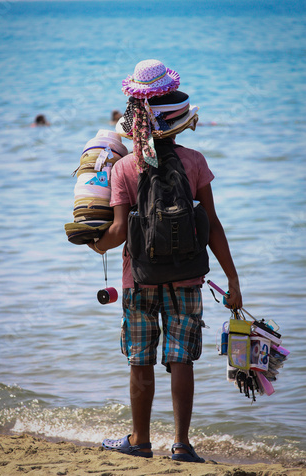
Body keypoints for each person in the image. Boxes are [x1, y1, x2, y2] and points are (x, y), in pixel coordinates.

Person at [88, 59, 242, 462]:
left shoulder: (124, 167)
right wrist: (233, 280)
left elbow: (119, 232)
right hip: (188, 277)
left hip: (138, 279)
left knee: (140, 361)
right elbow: (212, 227)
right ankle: (182, 444)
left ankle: (139, 440)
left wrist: (97, 245)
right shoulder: (194, 162)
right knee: (180, 359)